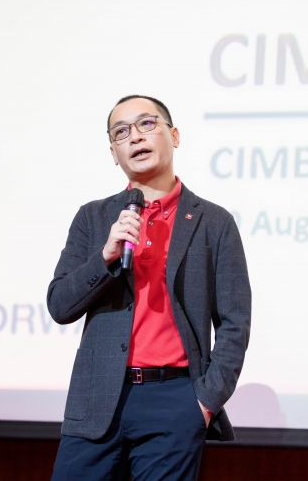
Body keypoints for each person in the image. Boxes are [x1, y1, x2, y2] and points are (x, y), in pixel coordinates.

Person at [47, 95, 251, 480]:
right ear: (114, 153)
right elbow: (60, 305)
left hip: (175, 401)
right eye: (121, 132)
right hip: (97, 398)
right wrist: (105, 257)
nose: (136, 137)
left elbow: (234, 324)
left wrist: (203, 402)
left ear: (174, 136)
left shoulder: (214, 222)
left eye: (146, 124)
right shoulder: (93, 218)